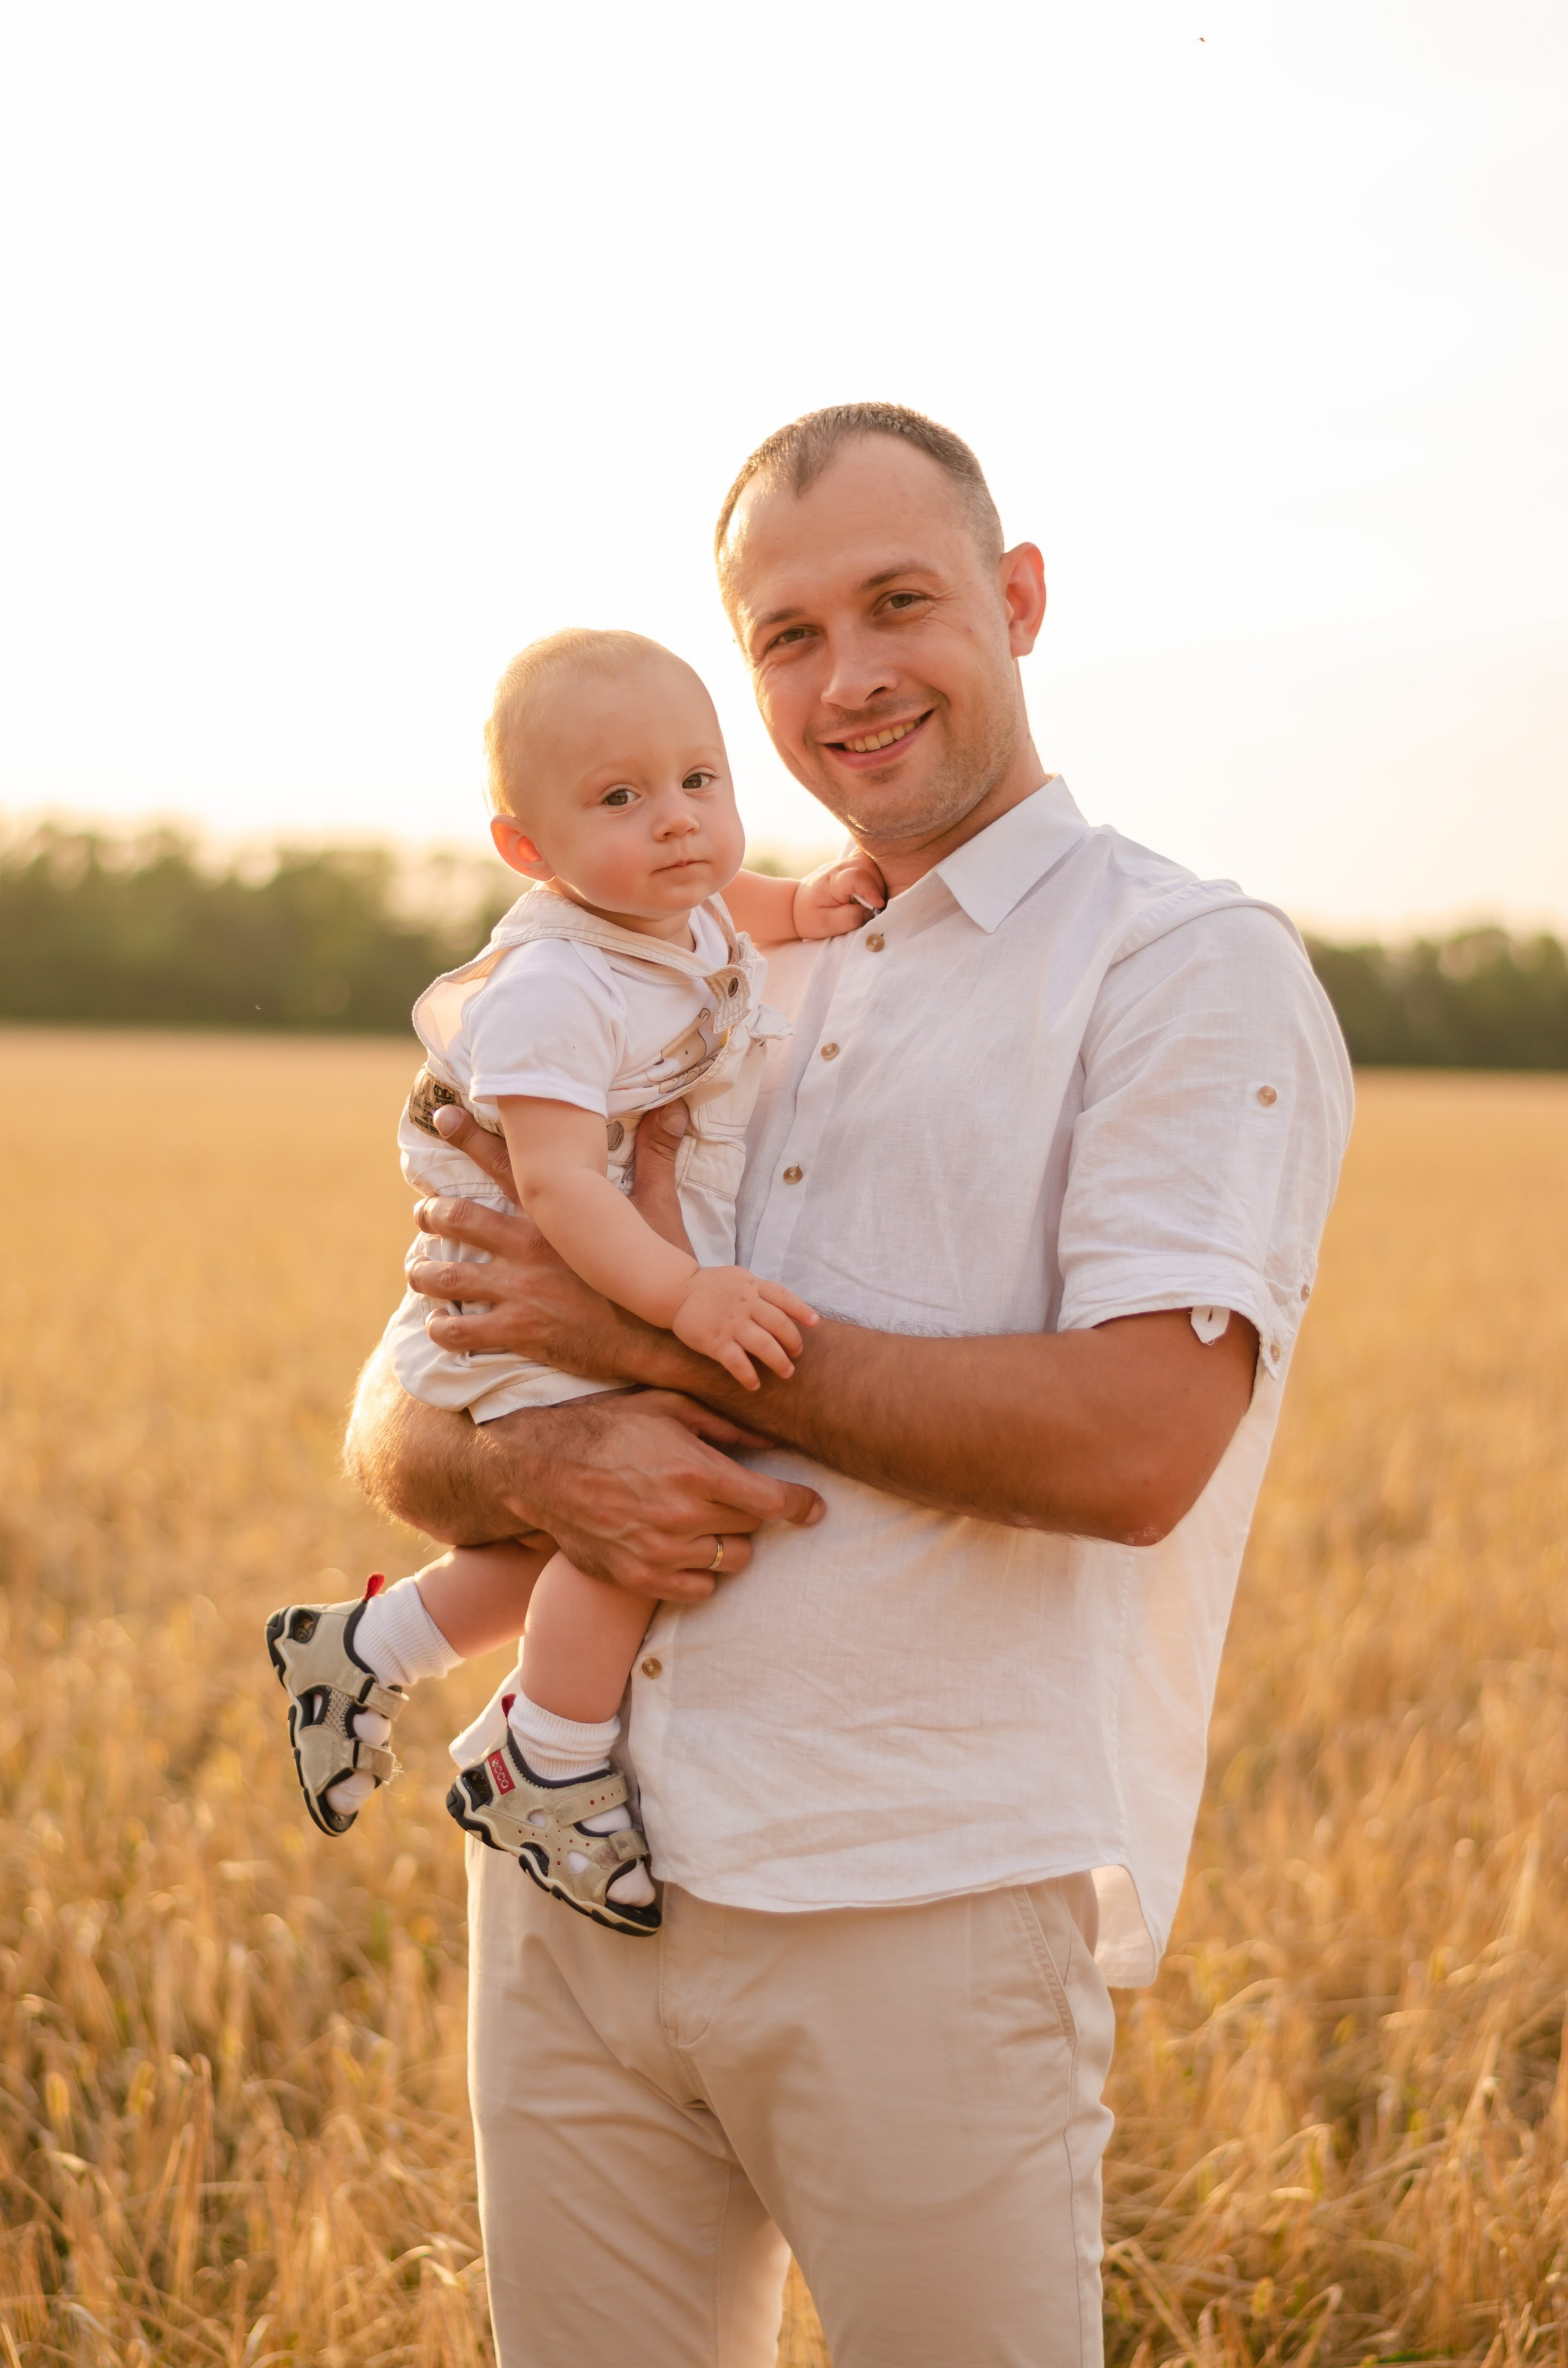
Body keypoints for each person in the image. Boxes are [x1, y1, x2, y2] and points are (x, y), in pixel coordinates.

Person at [344, 403, 1353, 2368]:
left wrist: (634, 1339)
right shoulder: (676, 951)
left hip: (917, 1908)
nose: (848, 676)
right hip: (573, 1893)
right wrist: (547, 1464)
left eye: (901, 603)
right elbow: (401, 1410)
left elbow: (1139, 1447)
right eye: (788, 635)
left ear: (1020, 599)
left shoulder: (1183, 965)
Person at [265, 627, 884, 1933]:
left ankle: (363, 1652)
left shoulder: (677, 907)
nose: (677, 825)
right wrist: (679, 1299)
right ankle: (540, 1758)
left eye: (699, 781)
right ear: (528, 852)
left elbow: (736, 909)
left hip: (615, 1265)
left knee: (564, 1521)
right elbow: (553, 1190)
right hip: (522, 1287)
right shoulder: (554, 987)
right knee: (638, 1489)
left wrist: (808, 907)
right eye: (621, 799)